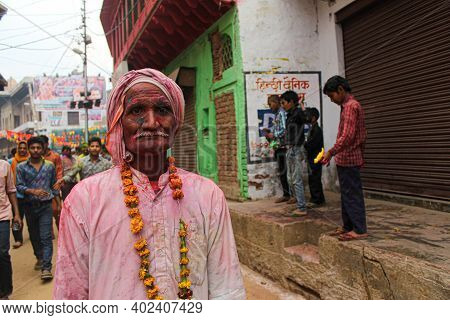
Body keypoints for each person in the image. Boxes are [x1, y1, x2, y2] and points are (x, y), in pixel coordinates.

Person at [54, 68, 245, 300]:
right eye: (136, 111)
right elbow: (70, 294)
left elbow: (228, 289)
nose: (152, 123)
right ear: (119, 124)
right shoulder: (84, 199)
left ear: (176, 123)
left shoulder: (208, 195)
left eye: (163, 110)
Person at [322, 75, 368, 241]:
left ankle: (360, 229)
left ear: (340, 89)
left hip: (349, 159)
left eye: (331, 95)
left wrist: (331, 151)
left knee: (352, 194)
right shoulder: (347, 106)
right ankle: (348, 226)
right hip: (346, 159)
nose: (331, 100)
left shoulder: (350, 107)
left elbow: (348, 136)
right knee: (346, 195)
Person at [16, 136, 61, 280]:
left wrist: (59, 204)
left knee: (46, 237)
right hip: (29, 206)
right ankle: (40, 257)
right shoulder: (21, 167)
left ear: (43, 149)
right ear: (29, 150)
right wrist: (32, 191)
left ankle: (46, 268)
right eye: (33, 148)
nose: (35, 150)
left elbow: (54, 185)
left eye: (38, 148)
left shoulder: (49, 166)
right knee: (34, 236)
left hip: (46, 206)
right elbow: (19, 186)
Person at [281, 90, 307, 216]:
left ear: (291, 102)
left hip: (297, 148)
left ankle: (302, 208)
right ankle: (297, 202)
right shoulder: (289, 115)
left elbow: (306, 118)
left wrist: (302, 106)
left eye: (284, 103)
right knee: (290, 178)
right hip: (290, 148)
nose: (283, 105)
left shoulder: (298, 114)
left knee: (296, 179)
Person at [262, 95, 290, 203]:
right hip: (278, 146)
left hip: (283, 147)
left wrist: (273, 135)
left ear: (276, 102)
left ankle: (290, 195)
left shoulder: (282, 113)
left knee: (286, 171)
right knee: (282, 171)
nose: (270, 107)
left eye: (270, 104)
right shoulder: (277, 114)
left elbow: (284, 130)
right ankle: (286, 194)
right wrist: (269, 132)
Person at [0, 159, 22, 300]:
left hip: (2, 215)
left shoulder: (4, 165)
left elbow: (11, 190)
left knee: (2, 252)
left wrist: (17, 214)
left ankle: (5, 291)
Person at [40, 135, 63, 229]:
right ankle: (49, 232)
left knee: (56, 210)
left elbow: (59, 171)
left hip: (53, 188)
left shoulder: (55, 156)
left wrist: (58, 185)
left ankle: (61, 229)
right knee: (44, 212)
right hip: (40, 189)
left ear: (47, 144)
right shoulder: (36, 156)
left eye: (43, 144)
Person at [10, 141, 29, 249]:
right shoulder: (11, 161)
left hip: (30, 194)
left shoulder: (31, 161)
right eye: (20, 148)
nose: (22, 150)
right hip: (17, 195)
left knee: (32, 218)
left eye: (24, 148)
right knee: (16, 217)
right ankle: (18, 239)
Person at [304, 107, 325, 207]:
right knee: (314, 178)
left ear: (313, 118)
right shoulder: (313, 129)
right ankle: (319, 198)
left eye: (307, 116)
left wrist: (304, 144)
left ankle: (316, 200)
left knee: (314, 179)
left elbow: (312, 144)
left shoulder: (316, 130)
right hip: (313, 157)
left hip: (316, 157)